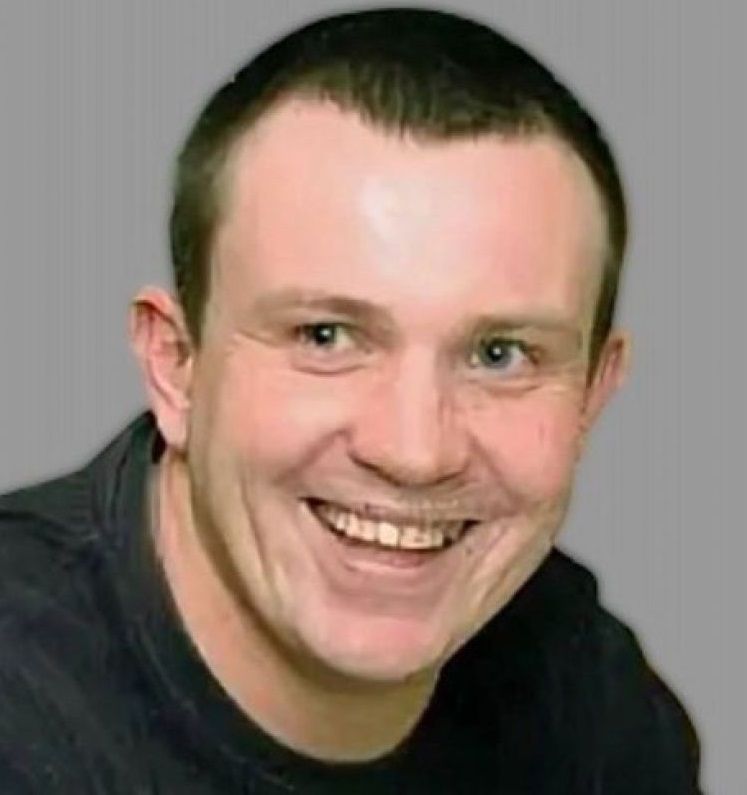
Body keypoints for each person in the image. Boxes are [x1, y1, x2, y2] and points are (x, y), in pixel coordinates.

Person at [0, 7, 701, 793]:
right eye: (326, 336)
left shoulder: (590, 699)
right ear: (175, 366)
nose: (414, 451)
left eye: (498, 354)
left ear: (592, 394)